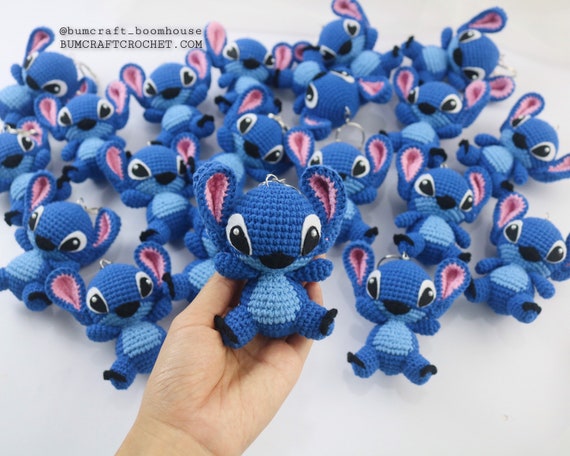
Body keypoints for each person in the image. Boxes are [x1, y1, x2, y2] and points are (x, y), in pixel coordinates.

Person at [117, 272, 322, 455]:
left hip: (291, 310)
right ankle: (234, 332)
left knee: (304, 314)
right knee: (242, 321)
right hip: (250, 315)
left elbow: (317, 269)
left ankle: (316, 321)